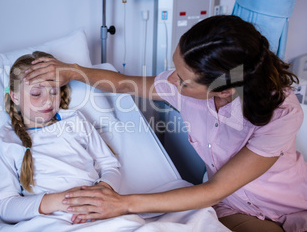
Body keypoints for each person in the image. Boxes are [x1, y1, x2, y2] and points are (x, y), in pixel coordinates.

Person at [23, 15, 307, 232]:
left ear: (223, 90)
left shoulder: (281, 113)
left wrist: (123, 203)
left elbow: (214, 188)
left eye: (182, 81)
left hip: (291, 204)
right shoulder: (185, 87)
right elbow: (122, 84)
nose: (170, 82)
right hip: (231, 207)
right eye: (175, 67)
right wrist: (72, 71)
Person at [0, 51, 120, 224]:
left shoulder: (75, 120)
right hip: (49, 222)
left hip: (96, 214)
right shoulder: (5, 140)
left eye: (54, 92)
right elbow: (5, 205)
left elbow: (110, 165)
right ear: (15, 96)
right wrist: (61, 201)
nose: (48, 101)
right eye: (36, 94)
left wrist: (102, 192)